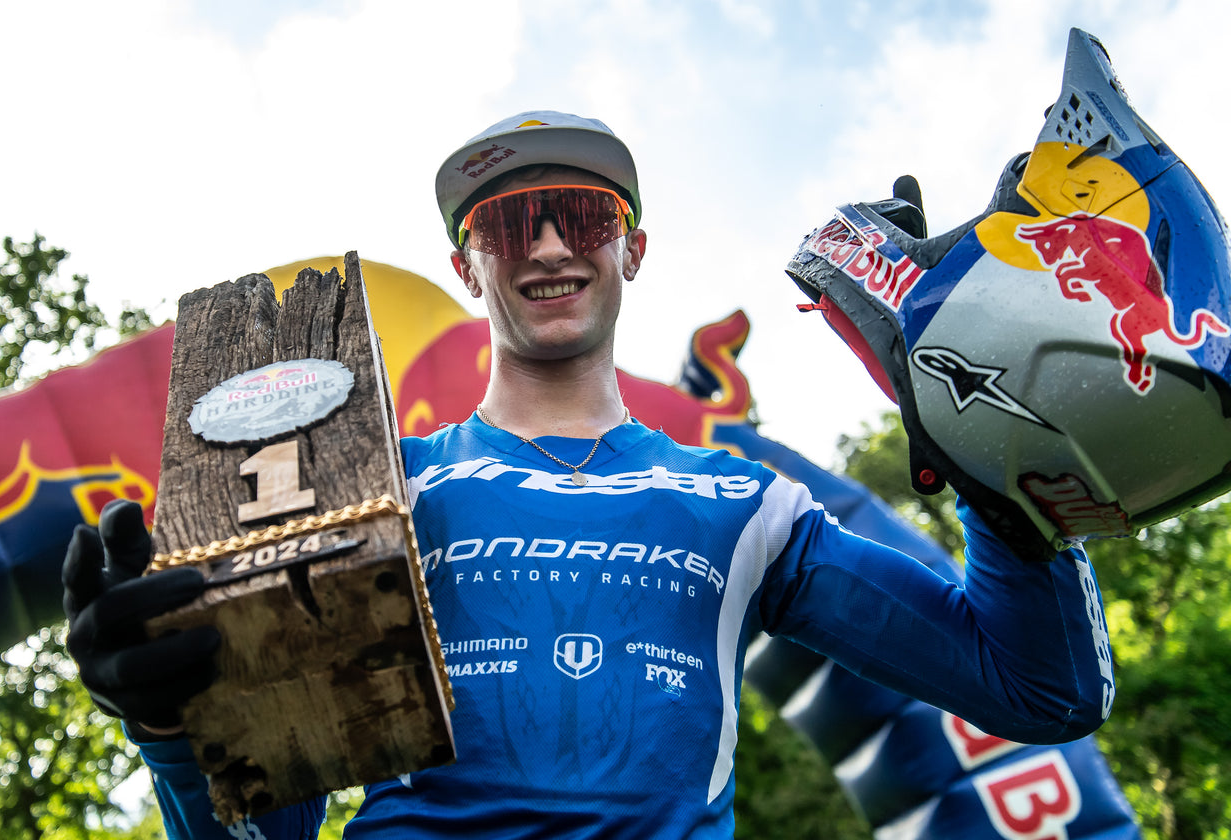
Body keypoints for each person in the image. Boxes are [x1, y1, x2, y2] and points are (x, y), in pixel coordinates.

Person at [63, 111, 1114, 839]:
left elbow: (1042, 689)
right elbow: (263, 834)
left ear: (635, 247)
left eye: (585, 215)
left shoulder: (749, 505)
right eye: (511, 224)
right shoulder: (365, 493)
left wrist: (993, 459)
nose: (552, 244)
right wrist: (169, 727)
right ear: (464, 266)